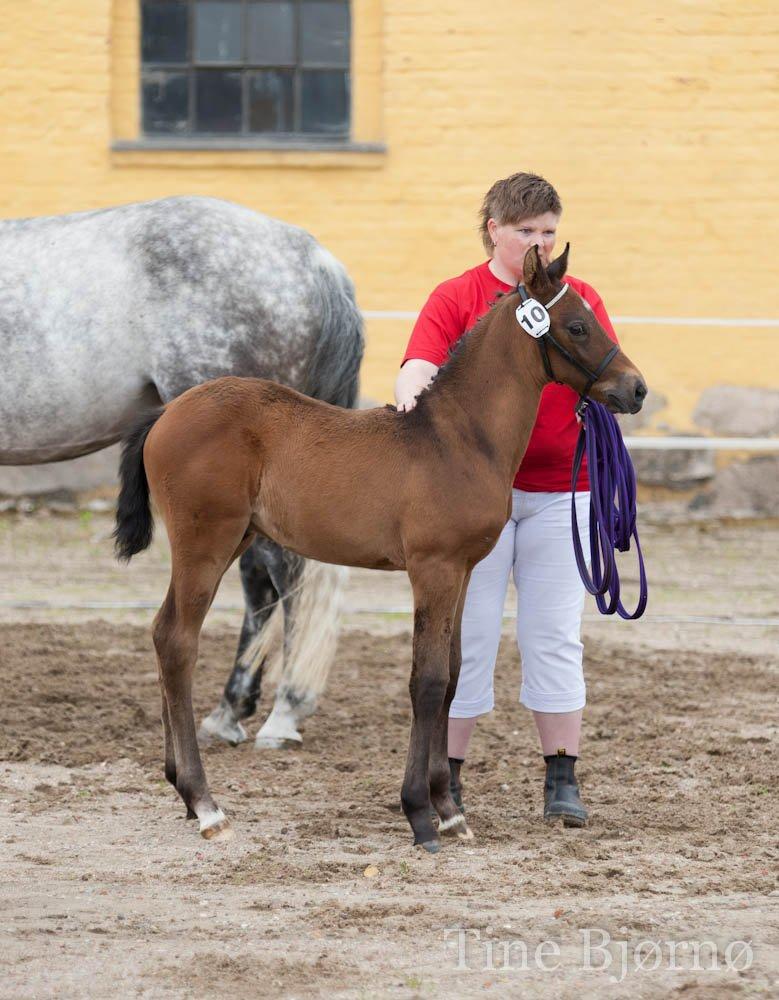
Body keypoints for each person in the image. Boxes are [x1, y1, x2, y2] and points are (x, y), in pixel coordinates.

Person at [394, 172, 618, 826]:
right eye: (526, 231)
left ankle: (561, 778)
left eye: (548, 231)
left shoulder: (578, 298)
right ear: (494, 229)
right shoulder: (459, 295)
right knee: (467, 633)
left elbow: (603, 365)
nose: (538, 242)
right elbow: (418, 362)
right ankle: (448, 776)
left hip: (560, 488)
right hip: (468, 497)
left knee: (553, 633)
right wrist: (411, 398)